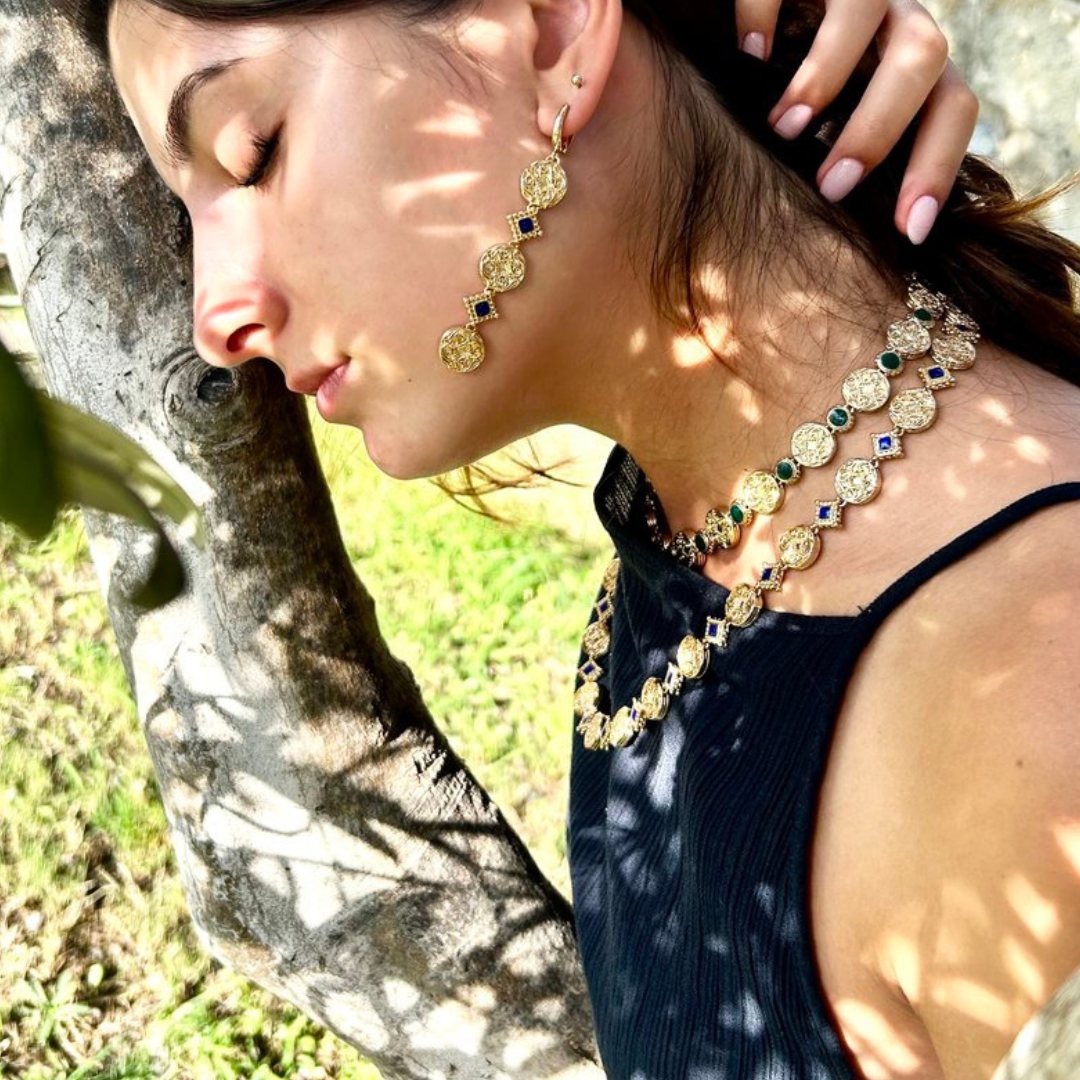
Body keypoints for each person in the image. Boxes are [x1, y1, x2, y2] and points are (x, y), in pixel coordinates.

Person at [72, 0, 1080, 1076]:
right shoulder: (684, 540)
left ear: (551, 30)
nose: (214, 319)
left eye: (253, 152)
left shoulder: (1028, 702)